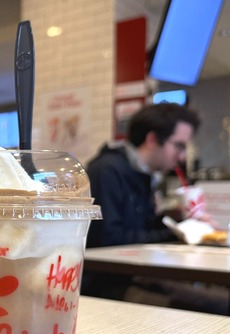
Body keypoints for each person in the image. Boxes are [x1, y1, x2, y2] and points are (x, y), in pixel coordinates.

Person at [82, 103, 201, 299]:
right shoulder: (106, 171)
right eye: (179, 146)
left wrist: (179, 220)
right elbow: (108, 239)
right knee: (205, 307)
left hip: (132, 277)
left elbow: (140, 228)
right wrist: (174, 236)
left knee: (211, 302)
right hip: (104, 288)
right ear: (152, 139)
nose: (181, 156)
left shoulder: (143, 175)